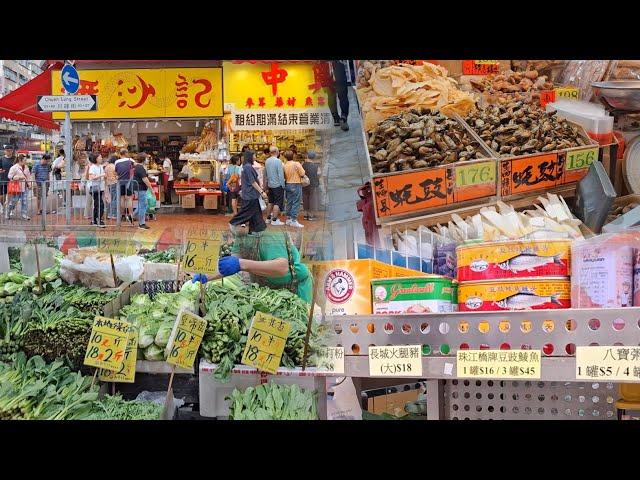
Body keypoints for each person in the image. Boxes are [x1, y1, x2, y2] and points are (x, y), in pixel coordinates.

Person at [215, 227, 313, 304]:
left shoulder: (271, 233)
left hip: (294, 288)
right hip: (268, 292)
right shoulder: (242, 236)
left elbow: (281, 268)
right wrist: (206, 276)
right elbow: (229, 266)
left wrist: (242, 264)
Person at [229, 150, 268, 234]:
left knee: (255, 213)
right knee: (247, 212)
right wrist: (261, 192)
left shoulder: (247, 166)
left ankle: (255, 229)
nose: (255, 157)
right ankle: (233, 222)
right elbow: (253, 182)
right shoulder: (248, 167)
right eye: (254, 155)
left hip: (250, 194)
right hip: (250, 194)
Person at [283, 150, 305, 228]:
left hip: (288, 184)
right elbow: (302, 173)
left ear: (285, 157)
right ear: (293, 156)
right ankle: (294, 220)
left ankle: (288, 218)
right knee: (296, 202)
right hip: (296, 184)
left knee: (289, 202)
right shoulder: (296, 164)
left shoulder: (284, 165)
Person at [264, 145, 285, 226]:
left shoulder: (267, 161)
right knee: (277, 202)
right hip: (277, 184)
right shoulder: (278, 161)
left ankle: (268, 218)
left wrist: (265, 186)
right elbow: (280, 174)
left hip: (270, 184)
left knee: (270, 202)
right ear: (276, 152)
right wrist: (283, 185)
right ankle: (274, 219)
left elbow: (265, 174)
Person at [5, 155, 31, 220]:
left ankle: (24, 215)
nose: (26, 161)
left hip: (24, 187)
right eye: (25, 160)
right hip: (17, 187)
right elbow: (9, 176)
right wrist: (18, 177)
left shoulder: (26, 167)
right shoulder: (14, 167)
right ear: (20, 160)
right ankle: (7, 212)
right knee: (13, 201)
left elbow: (28, 176)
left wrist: (29, 184)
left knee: (24, 201)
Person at [327, 60, 350, 131]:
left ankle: (336, 119)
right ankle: (343, 118)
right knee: (343, 96)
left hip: (324, 69)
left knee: (331, 96)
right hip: (337, 67)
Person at [133, 153, 153, 230]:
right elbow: (145, 179)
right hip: (140, 188)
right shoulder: (140, 167)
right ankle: (141, 223)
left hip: (139, 188)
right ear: (143, 159)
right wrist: (151, 189)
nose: (148, 160)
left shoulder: (138, 167)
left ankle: (133, 216)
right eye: (147, 159)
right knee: (143, 205)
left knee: (142, 204)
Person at [114, 148, 135, 224]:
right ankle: (130, 215)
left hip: (120, 182)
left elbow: (116, 173)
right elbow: (135, 168)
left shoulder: (116, 162)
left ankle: (122, 215)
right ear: (126, 153)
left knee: (121, 198)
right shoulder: (131, 160)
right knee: (129, 199)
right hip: (129, 182)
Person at [87, 154, 106, 228]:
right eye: (100, 157)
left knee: (97, 204)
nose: (101, 158)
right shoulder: (92, 167)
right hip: (94, 188)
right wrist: (101, 175)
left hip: (100, 188)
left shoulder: (100, 166)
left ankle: (94, 220)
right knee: (100, 204)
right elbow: (91, 177)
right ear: (96, 159)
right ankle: (98, 220)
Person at [302, 151, 320, 221]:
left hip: (304, 184)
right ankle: (311, 215)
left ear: (307, 156)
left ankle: (306, 214)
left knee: (305, 198)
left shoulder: (303, 165)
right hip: (313, 184)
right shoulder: (316, 166)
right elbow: (318, 174)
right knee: (312, 199)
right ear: (314, 157)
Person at [0, 145, 16, 211]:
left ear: (12, 151)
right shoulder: (1, 159)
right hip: (3, 180)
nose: (9, 152)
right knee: (1, 196)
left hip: (12, 181)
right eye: (7, 151)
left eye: (10, 151)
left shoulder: (15, 158)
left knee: (12, 197)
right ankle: (2, 206)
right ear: (5, 151)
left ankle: (10, 210)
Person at [104, 156, 118, 220]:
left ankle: (109, 213)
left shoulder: (107, 167)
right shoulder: (114, 167)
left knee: (110, 199)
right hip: (114, 183)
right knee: (114, 199)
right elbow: (116, 175)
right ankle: (113, 214)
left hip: (108, 183)